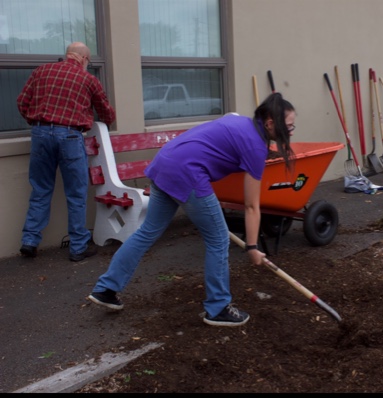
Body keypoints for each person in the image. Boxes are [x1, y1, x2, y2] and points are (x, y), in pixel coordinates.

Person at [87, 92, 296, 327]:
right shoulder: (255, 147)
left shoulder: (241, 122)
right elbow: (251, 205)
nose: (291, 131)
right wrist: (252, 246)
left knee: (148, 231)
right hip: (187, 173)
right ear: (270, 124)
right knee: (218, 239)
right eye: (289, 126)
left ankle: (106, 289)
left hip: (165, 162)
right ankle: (217, 308)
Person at [17, 42, 116, 262]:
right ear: (83, 59)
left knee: (41, 189)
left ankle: (30, 241)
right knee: (76, 193)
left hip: (41, 134)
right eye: (88, 63)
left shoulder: (41, 71)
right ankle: (78, 247)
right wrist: (107, 122)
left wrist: (38, 123)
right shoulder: (88, 79)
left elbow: (22, 102)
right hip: (70, 136)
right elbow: (105, 111)